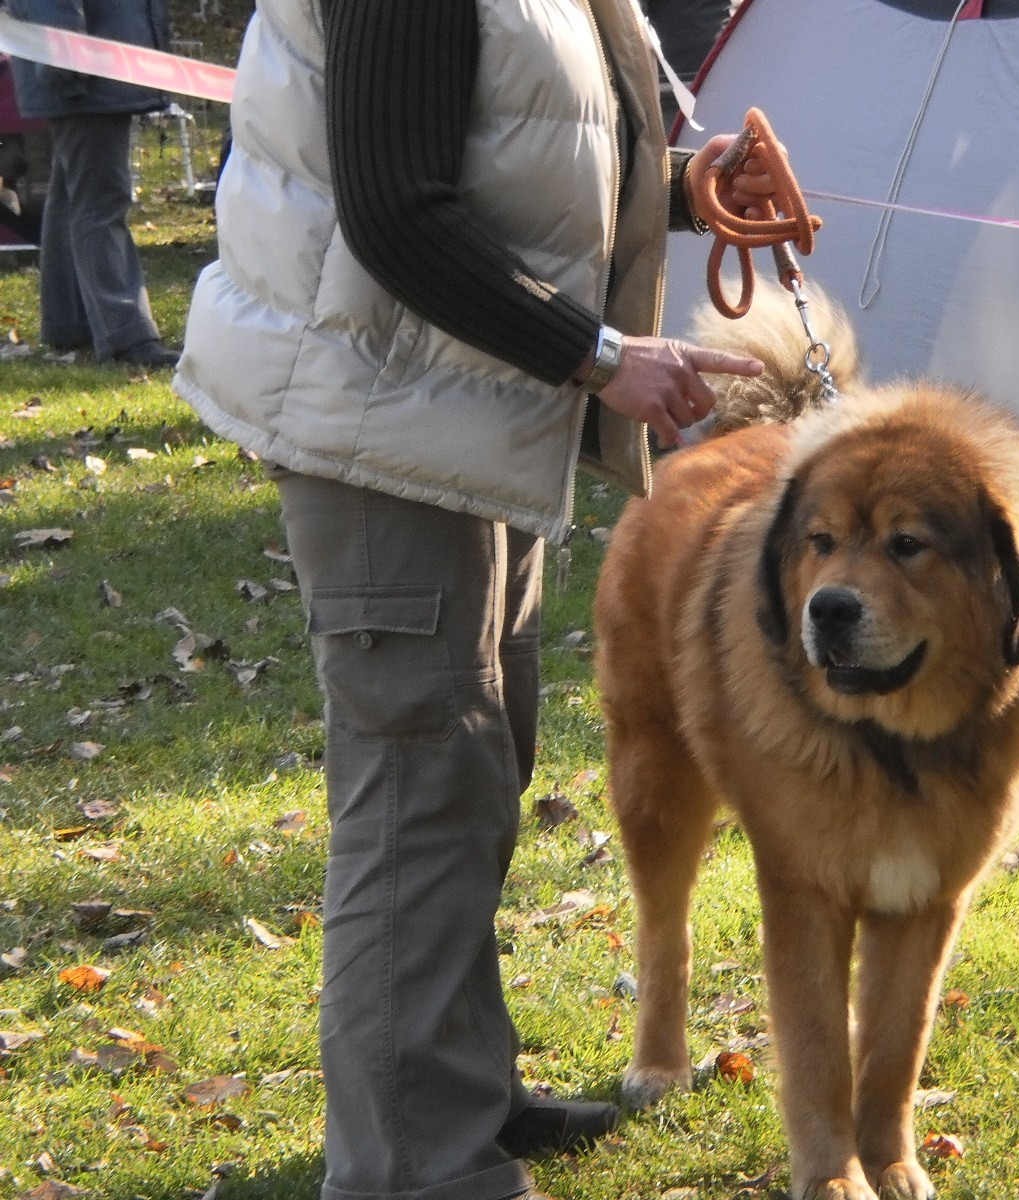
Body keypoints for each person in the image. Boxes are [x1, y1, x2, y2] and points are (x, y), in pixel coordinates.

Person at [173, 2, 777, 1199]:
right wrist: (601, 354)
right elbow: (398, 212)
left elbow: (511, 144)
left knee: (471, 775)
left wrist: (676, 186)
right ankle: (413, 1168)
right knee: (418, 792)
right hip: (380, 426)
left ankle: (456, 1099)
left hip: (461, 417)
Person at [7, 0, 179, 366]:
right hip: (84, 76)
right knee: (101, 203)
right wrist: (67, 59)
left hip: (86, 71)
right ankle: (126, 336)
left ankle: (71, 323)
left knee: (73, 197)